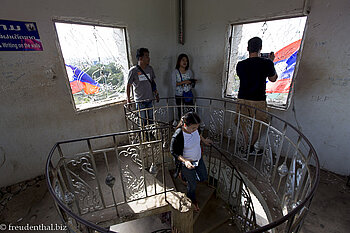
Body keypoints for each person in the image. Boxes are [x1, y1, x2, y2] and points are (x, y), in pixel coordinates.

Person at [235, 37, 278, 154]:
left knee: (243, 124)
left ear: (247, 48)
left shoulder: (240, 64)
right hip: (258, 100)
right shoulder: (267, 63)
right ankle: (250, 147)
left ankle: (245, 146)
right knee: (257, 125)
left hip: (242, 98)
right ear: (261, 48)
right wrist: (271, 61)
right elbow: (273, 79)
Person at [170, 112, 212, 211]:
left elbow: (199, 134)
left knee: (203, 177)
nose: (195, 130)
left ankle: (184, 177)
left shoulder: (196, 129)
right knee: (192, 185)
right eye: (193, 128)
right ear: (185, 125)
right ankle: (192, 200)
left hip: (198, 159)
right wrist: (185, 161)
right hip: (187, 163)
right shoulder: (178, 136)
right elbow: (173, 152)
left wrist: (204, 140)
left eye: (196, 127)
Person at [126, 48, 159, 127]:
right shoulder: (133, 71)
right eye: (146, 56)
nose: (149, 58)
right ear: (140, 58)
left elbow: (152, 82)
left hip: (150, 99)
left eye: (148, 56)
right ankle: (144, 137)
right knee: (142, 121)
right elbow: (128, 85)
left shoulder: (150, 69)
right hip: (140, 101)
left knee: (151, 119)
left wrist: (156, 93)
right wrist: (128, 99)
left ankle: (151, 136)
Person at [171, 54, 197, 121]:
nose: (185, 62)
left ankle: (190, 126)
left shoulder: (189, 72)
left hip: (188, 93)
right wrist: (184, 82)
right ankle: (182, 127)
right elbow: (174, 84)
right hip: (179, 95)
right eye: (183, 60)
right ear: (179, 61)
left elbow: (191, 84)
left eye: (186, 60)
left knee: (190, 111)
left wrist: (192, 82)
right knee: (180, 111)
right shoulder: (175, 72)